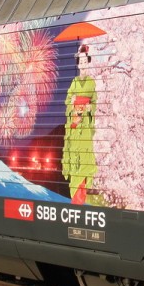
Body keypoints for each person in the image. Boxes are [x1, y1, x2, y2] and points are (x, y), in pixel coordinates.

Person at [62, 45, 98, 204]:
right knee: (74, 160)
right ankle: (75, 200)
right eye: (80, 61)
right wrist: (72, 104)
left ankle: (80, 200)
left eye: (85, 61)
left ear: (88, 62)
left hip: (85, 129)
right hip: (75, 126)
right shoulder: (74, 82)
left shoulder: (92, 83)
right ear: (77, 64)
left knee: (84, 160)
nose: (83, 64)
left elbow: (95, 102)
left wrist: (90, 108)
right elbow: (67, 101)